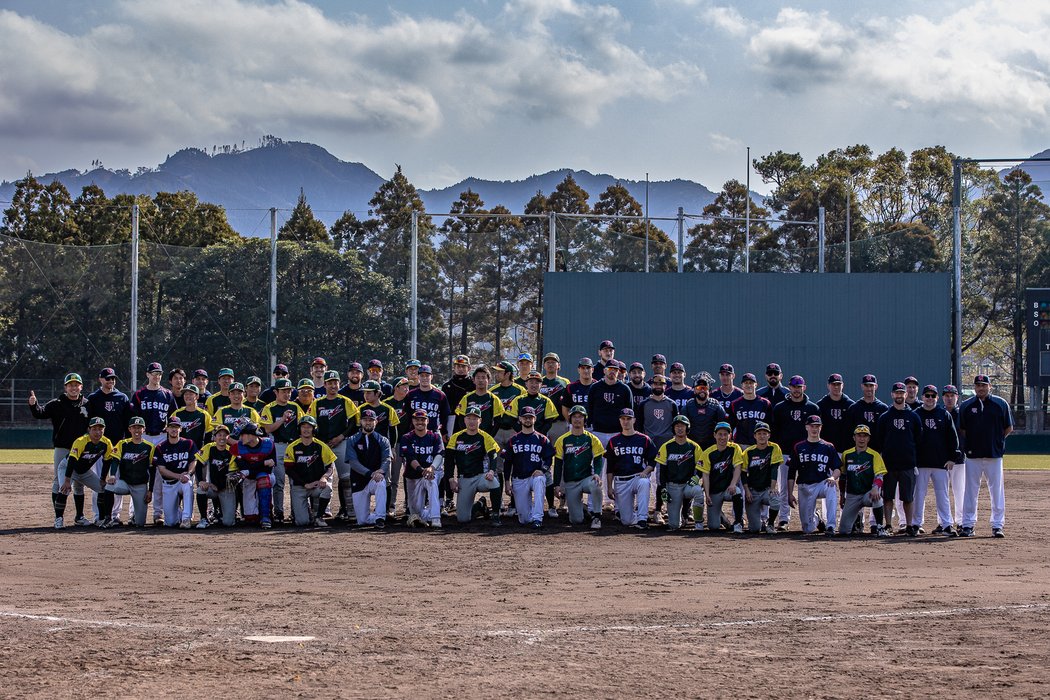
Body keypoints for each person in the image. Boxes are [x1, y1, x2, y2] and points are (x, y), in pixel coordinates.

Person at [30, 372, 90, 527]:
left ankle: (79, 517)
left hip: (80, 449)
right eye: (70, 385)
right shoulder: (57, 403)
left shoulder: (86, 404)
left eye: (76, 385)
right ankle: (58, 517)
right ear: (65, 387)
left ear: (81, 387)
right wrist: (33, 404)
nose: (74, 388)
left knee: (79, 483)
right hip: (62, 447)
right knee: (59, 481)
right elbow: (40, 413)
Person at [958, 374, 1013, 538]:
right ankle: (968, 525)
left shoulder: (1000, 404)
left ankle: (997, 525)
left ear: (990, 386)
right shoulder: (967, 406)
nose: (981, 388)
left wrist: (996, 441)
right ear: (974, 388)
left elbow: (1008, 428)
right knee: (970, 491)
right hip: (973, 455)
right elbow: (963, 430)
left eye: (984, 385)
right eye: (978, 385)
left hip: (994, 455)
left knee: (997, 491)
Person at [130, 362, 178, 524]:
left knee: (158, 476)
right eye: (153, 373)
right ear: (147, 375)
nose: (156, 376)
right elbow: (133, 418)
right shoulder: (139, 394)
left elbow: (173, 417)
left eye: (159, 373)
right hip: (143, 436)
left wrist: (169, 431)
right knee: (138, 472)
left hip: (160, 437)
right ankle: (133, 513)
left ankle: (158, 513)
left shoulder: (167, 394)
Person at [309, 370, 360, 522]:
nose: (333, 385)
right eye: (329, 383)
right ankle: (320, 511)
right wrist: (320, 442)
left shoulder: (345, 401)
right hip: (323, 444)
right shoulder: (317, 403)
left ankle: (350, 510)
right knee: (323, 478)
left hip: (342, 442)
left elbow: (353, 423)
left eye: (335, 382)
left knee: (346, 478)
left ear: (339, 384)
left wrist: (341, 436)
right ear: (324, 385)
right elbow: (311, 425)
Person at [912, 384, 962, 536]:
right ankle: (916, 524)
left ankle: (947, 524)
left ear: (937, 398)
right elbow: (910, 439)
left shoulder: (943, 414)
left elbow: (953, 437)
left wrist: (953, 457)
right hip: (921, 463)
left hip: (940, 463)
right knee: (919, 494)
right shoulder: (916, 414)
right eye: (927, 395)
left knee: (943, 495)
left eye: (933, 396)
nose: (930, 398)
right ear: (922, 397)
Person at [873, 382, 923, 536]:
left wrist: (914, 460)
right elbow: (879, 440)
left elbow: (918, 439)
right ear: (892, 395)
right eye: (897, 393)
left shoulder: (913, 416)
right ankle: (888, 525)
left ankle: (909, 525)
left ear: (906, 395)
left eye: (902, 393)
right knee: (887, 497)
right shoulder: (885, 417)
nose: (899, 395)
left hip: (907, 463)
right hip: (889, 464)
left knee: (907, 497)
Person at [771, 375, 819, 531]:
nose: (796, 390)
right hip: (785, 452)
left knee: (809, 486)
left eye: (799, 387)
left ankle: (814, 516)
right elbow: (775, 431)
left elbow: (817, 431)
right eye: (794, 387)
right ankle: (784, 519)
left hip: (807, 452)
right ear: (789, 387)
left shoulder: (812, 408)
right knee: (784, 488)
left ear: (804, 388)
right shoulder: (780, 407)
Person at [53, 417, 113, 529]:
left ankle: (99, 519)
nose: (98, 432)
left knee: (102, 488)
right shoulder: (81, 441)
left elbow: (107, 460)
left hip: (84, 471)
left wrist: (103, 478)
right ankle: (58, 519)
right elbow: (72, 460)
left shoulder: (106, 443)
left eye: (100, 429)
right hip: (67, 468)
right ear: (89, 430)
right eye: (94, 429)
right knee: (64, 490)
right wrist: (67, 481)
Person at [785, 415, 841, 536]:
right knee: (808, 529)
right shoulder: (798, 447)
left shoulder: (828, 447)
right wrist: (790, 494)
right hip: (805, 486)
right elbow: (791, 472)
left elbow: (837, 468)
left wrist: (833, 477)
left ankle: (831, 526)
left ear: (821, 428)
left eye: (817, 426)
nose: (814, 429)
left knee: (831, 487)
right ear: (806, 427)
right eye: (812, 426)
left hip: (822, 483)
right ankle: (817, 518)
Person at [446, 406, 502, 526]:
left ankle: (496, 515)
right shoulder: (456, 437)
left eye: (475, 419)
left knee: (494, 482)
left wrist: (491, 471)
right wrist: (451, 478)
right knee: (463, 519)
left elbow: (493, 455)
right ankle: (480, 505)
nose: (472, 421)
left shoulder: (485, 436)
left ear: (480, 421)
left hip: (481, 476)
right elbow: (449, 460)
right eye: (469, 418)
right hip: (464, 478)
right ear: (464, 420)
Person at [260, 377, 305, 524]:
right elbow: (267, 428)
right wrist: (282, 420)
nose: (287, 394)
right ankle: (279, 513)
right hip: (277, 446)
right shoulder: (270, 407)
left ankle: (295, 512)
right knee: (278, 482)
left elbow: (303, 426)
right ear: (276, 392)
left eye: (289, 391)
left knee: (295, 481)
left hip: (293, 446)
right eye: (284, 391)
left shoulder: (295, 407)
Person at [637, 374, 679, 525]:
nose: (658, 386)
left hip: (665, 448)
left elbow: (676, 426)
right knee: (643, 479)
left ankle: (658, 510)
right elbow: (639, 426)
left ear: (665, 386)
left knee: (661, 481)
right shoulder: (644, 404)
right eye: (655, 384)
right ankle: (641, 510)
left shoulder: (672, 404)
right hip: (648, 447)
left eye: (661, 384)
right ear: (651, 385)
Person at [553, 406, 604, 529]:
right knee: (576, 520)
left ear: (584, 419)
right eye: (574, 417)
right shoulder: (562, 440)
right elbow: (558, 463)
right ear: (570, 419)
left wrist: (597, 473)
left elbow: (598, 458)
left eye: (580, 416)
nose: (577, 419)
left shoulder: (591, 438)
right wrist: (557, 484)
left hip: (586, 479)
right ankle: (584, 509)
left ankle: (597, 516)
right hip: (570, 482)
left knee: (596, 484)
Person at [502, 407, 555, 528]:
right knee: (524, 520)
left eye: (530, 417)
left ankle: (538, 518)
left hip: (534, 476)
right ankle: (530, 514)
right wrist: (507, 482)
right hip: (519, 478)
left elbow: (548, 458)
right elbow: (507, 462)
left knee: (540, 479)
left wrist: (542, 470)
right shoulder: (513, 440)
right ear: (520, 419)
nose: (527, 419)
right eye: (525, 417)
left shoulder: (542, 439)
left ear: (534, 419)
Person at [605, 408, 657, 528]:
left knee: (644, 482)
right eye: (623, 419)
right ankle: (631, 516)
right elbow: (610, 467)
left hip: (637, 477)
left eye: (628, 419)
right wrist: (609, 487)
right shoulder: (613, 441)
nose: (626, 421)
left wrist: (646, 471)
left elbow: (653, 460)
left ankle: (642, 519)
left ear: (634, 420)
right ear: (619, 421)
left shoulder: (644, 439)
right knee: (626, 521)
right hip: (621, 481)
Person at [102, 416, 156, 528]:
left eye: (139, 427)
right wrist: (112, 475)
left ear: (144, 429)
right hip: (124, 483)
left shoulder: (149, 447)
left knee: (140, 523)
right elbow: (115, 461)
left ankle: (135, 517)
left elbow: (152, 470)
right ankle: (107, 517)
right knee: (109, 486)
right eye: (134, 427)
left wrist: (150, 490)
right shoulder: (123, 444)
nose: (137, 430)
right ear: (129, 429)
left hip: (140, 486)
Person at [284, 415, 337, 527]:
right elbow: (289, 470)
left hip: (316, 484)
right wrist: (305, 484)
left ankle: (319, 517)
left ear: (314, 429)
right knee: (302, 522)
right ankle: (308, 511)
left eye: (309, 426)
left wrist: (324, 478)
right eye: (303, 426)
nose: (306, 429)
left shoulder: (321, 446)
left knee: (327, 487)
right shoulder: (292, 447)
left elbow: (330, 466)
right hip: (300, 486)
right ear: (299, 429)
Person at [838, 425, 888, 537]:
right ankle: (858, 518)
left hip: (867, 493)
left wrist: (876, 487)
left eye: (865, 436)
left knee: (877, 498)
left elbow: (879, 475)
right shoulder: (847, 454)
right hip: (852, 495)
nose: (862, 439)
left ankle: (880, 527)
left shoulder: (874, 455)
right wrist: (842, 495)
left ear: (868, 438)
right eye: (859, 436)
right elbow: (843, 476)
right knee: (843, 531)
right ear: (854, 437)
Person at [655, 415, 703, 530]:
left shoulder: (694, 446)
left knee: (699, 492)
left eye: (682, 426)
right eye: (677, 426)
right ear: (673, 428)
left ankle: (699, 523)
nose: (680, 428)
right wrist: (663, 488)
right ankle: (679, 516)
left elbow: (701, 467)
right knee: (674, 525)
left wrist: (697, 477)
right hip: (673, 486)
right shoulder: (666, 446)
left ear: (687, 428)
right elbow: (662, 471)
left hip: (688, 485)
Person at [343, 409, 390, 528]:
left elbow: (387, 459)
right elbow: (353, 463)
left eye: (371, 420)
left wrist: (381, 471)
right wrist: (371, 473)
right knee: (362, 521)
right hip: (359, 481)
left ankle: (380, 518)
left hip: (375, 479)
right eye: (365, 420)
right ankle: (377, 516)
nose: (368, 422)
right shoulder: (352, 440)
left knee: (381, 482)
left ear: (376, 422)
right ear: (360, 422)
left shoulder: (383, 440)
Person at [400, 409, 446, 527]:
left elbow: (439, 454)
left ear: (428, 421)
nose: (420, 422)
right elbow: (410, 458)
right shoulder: (407, 437)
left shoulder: (435, 436)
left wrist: (431, 468)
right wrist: (423, 470)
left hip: (430, 473)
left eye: (423, 420)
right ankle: (429, 514)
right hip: (413, 476)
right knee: (416, 513)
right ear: (413, 421)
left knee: (431, 480)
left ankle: (436, 519)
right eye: (417, 419)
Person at [360, 380, 400, 517]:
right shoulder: (361, 409)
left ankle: (387, 508)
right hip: (366, 449)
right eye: (365, 393)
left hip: (383, 448)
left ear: (378, 393)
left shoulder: (388, 409)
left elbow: (393, 429)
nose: (366, 395)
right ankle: (362, 509)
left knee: (386, 479)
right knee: (365, 477)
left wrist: (393, 447)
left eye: (369, 392)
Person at [699, 422, 744, 532]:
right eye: (720, 434)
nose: (722, 437)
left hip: (728, 489)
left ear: (730, 436)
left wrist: (733, 484)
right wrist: (707, 494)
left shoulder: (735, 448)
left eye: (725, 434)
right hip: (715, 491)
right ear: (714, 435)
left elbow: (738, 468)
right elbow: (705, 475)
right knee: (713, 526)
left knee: (737, 491)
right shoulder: (708, 452)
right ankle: (721, 517)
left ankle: (738, 522)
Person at [152, 416, 197, 529]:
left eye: (176, 427)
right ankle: (180, 513)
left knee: (188, 484)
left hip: (184, 480)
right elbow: (161, 470)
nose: (174, 429)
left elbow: (194, 461)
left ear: (181, 429)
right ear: (166, 429)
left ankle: (186, 518)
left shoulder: (189, 443)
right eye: (171, 427)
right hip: (169, 483)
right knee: (170, 522)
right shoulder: (160, 447)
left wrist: (188, 473)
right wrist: (178, 476)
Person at [229, 422, 276, 528]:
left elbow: (269, 468)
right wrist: (262, 463)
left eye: (242, 434)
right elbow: (243, 467)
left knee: (263, 479)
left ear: (251, 435)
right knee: (251, 519)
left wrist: (250, 470)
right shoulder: (238, 447)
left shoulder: (268, 444)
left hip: (266, 476)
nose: (240, 438)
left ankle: (266, 516)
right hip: (248, 479)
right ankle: (257, 514)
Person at [193, 422, 237, 528]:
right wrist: (202, 481)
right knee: (200, 489)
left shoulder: (232, 451)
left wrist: (217, 485)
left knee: (228, 522)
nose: (222, 437)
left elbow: (231, 474)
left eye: (224, 435)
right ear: (214, 437)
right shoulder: (209, 447)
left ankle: (220, 513)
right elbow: (198, 465)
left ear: (228, 437)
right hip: (211, 486)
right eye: (219, 435)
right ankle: (204, 519)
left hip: (226, 487)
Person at [741, 421, 782, 534]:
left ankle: (770, 524)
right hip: (753, 491)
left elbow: (774, 468)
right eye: (759, 433)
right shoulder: (748, 452)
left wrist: (772, 488)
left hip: (766, 489)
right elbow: (743, 473)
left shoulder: (774, 448)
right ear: (755, 436)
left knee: (776, 498)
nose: (762, 436)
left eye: (765, 433)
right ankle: (760, 523)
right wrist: (747, 491)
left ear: (769, 435)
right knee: (754, 529)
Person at [942, 384, 966, 529]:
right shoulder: (939, 413)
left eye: (952, 396)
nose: (949, 398)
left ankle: (961, 521)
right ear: (943, 397)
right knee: (942, 493)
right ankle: (943, 522)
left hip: (959, 459)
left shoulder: (962, 414)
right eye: (947, 396)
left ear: (957, 397)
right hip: (942, 460)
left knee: (959, 492)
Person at [682, 374, 728, 449]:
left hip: (712, 447)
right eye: (699, 388)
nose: (702, 390)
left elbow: (725, 427)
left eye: (704, 388)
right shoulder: (687, 407)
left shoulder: (716, 407)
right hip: (692, 447)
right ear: (694, 390)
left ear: (709, 389)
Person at [728, 373, 771, 447]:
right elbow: (730, 426)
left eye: (751, 383)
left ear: (756, 385)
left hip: (760, 444)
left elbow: (771, 425)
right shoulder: (734, 404)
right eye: (746, 383)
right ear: (742, 385)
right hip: (741, 444)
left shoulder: (765, 403)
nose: (748, 385)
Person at [817, 373, 855, 454]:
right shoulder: (821, 405)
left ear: (843, 385)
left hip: (846, 450)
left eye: (838, 384)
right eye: (833, 384)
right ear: (828, 385)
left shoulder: (850, 405)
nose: (836, 387)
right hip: (825, 450)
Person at [172, 385, 212, 454]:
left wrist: (204, 452)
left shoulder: (204, 415)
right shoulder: (177, 413)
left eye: (191, 394)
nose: (188, 396)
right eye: (186, 394)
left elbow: (209, 436)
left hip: (198, 452)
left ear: (197, 396)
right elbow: (170, 432)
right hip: (180, 453)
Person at [539, 352, 570, 443]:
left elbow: (568, 403)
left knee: (558, 452)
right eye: (548, 362)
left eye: (553, 362)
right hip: (542, 422)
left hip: (559, 423)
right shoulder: (539, 381)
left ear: (558, 365)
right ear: (544, 365)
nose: (550, 364)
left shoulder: (565, 382)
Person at [441, 354, 475, 435]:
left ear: (469, 368)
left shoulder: (474, 385)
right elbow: (443, 410)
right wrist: (443, 430)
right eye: (458, 366)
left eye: (463, 366)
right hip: (452, 420)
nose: (460, 369)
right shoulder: (447, 386)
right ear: (454, 368)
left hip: (471, 419)